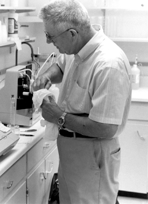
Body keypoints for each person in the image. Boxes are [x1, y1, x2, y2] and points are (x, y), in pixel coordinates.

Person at [32, 0, 131, 204]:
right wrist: (48, 76)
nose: (48, 41)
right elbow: (61, 67)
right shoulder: (76, 50)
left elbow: (105, 128)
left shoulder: (108, 64)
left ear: (72, 34)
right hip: (71, 151)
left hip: (93, 154)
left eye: (50, 36)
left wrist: (58, 116)